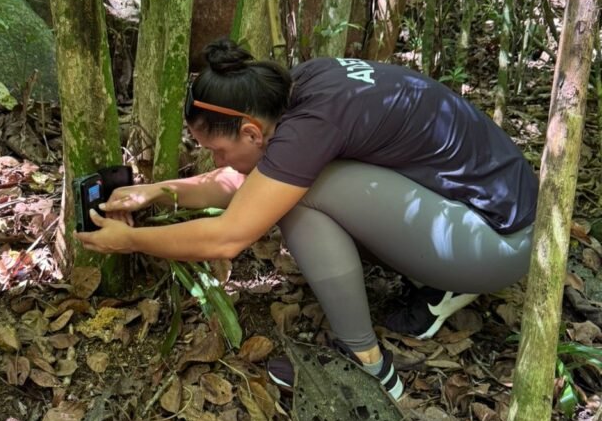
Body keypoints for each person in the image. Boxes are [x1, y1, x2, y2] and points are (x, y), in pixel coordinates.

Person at [75, 39, 538, 400]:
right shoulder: (302, 85)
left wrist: (133, 242)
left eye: (216, 150)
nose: (215, 159)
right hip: (495, 217)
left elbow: (227, 237)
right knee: (299, 186)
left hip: (497, 241)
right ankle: (444, 283)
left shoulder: (308, 129)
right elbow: (248, 179)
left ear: (252, 130)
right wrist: (162, 191)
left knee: (301, 196)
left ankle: (366, 360)